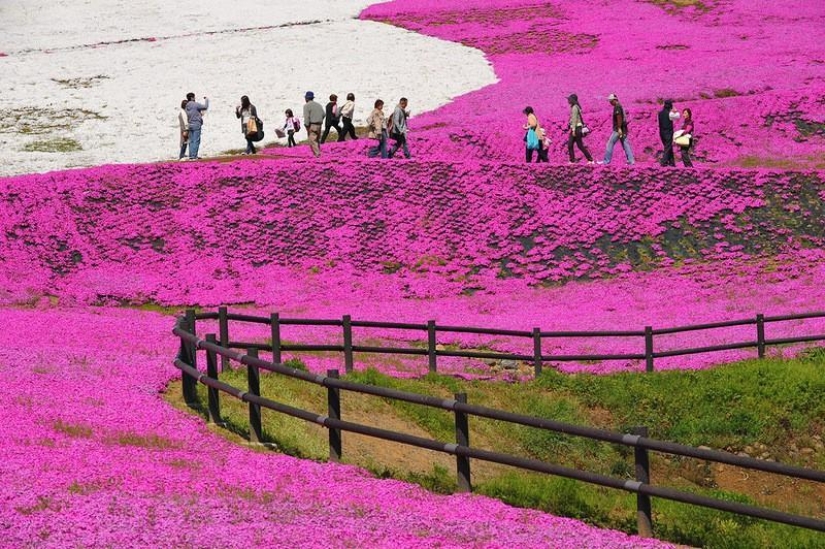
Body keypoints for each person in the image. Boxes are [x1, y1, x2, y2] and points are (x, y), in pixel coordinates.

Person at [601, 93, 634, 165]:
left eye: (610, 101)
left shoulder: (617, 107)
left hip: (618, 130)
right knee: (625, 144)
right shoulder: (620, 106)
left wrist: (619, 128)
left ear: (614, 100)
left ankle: (606, 161)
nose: (610, 102)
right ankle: (631, 161)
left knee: (610, 143)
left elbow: (619, 118)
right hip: (623, 129)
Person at [567, 94, 594, 164]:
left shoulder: (575, 108)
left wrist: (573, 129)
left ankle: (572, 160)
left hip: (576, 128)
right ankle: (590, 159)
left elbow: (574, 119)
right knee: (579, 145)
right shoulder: (575, 107)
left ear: (572, 100)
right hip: (578, 128)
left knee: (570, 144)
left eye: (569, 99)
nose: (568, 100)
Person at [185, 92, 209, 160]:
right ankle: (194, 156)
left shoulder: (187, 106)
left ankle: (191, 155)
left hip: (190, 124)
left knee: (191, 141)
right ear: (192, 97)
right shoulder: (195, 104)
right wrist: (207, 100)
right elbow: (205, 107)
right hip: (196, 124)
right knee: (196, 140)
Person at [302, 91, 324, 157]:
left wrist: (307, 125)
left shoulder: (306, 106)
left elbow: (306, 117)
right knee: (317, 140)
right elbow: (323, 114)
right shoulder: (318, 105)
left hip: (312, 125)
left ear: (307, 98)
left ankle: (317, 156)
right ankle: (318, 154)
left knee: (313, 141)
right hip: (319, 125)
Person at [658, 99, 679, 167]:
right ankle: (663, 162)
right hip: (668, 133)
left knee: (668, 147)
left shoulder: (660, 113)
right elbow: (677, 116)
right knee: (667, 147)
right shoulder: (670, 114)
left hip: (661, 132)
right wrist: (675, 110)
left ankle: (672, 162)